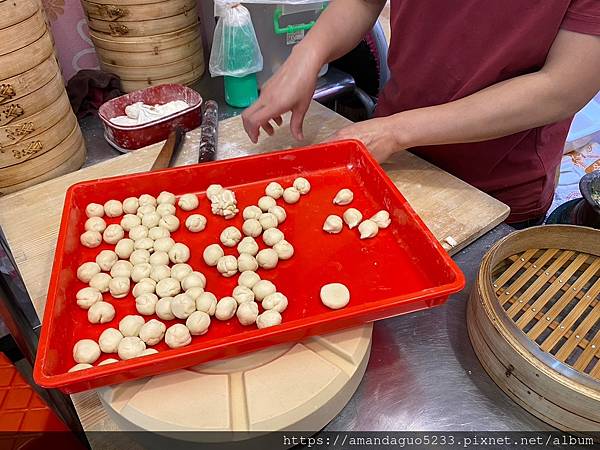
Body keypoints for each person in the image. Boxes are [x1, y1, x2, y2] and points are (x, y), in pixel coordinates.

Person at [242, 0, 600, 228]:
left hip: (492, 190)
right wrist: (310, 53)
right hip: (394, 160)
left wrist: (396, 131)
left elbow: (562, 87)